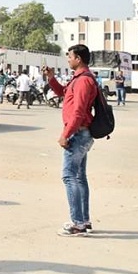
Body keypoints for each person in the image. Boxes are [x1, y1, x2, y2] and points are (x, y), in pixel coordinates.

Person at [44, 44, 96, 237]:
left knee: (69, 176)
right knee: (80, 177)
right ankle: (84, 220)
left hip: (78, 134)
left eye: (70, 56)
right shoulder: (79, 79)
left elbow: (79, 111)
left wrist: (66, 133)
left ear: (78, 59)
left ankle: (78, 223)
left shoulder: (83, 81)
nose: (68, 59)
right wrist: (51, 78)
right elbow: (64, 94)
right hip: (81, 133)